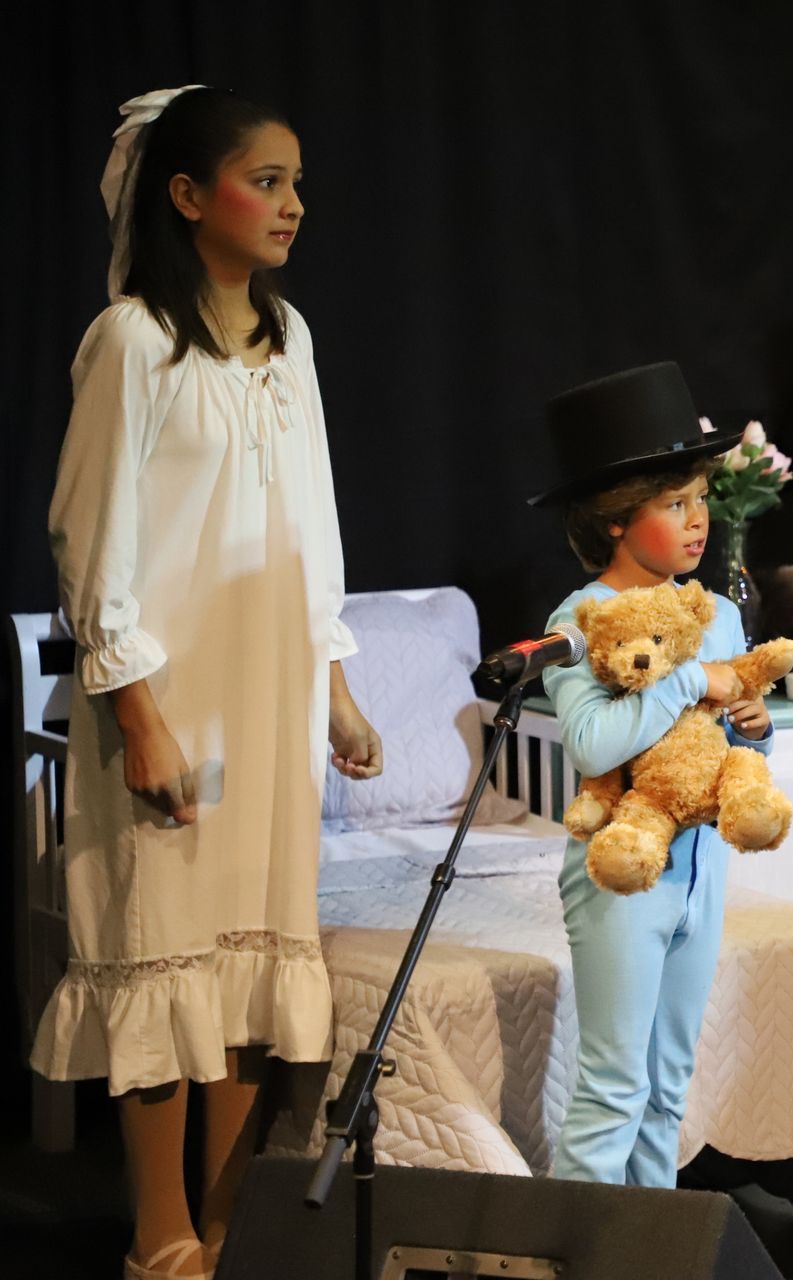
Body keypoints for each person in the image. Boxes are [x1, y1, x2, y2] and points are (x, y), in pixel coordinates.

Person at [32, 86, 382, 1280]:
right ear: (188, 196)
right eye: (264, 180)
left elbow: (313, 527)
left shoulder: (292, 342)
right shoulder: (131, 340)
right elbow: (90, 537)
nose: (292, 204)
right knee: (162, 951)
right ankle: (159, 1229)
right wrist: (135, 709)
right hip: (172, 699)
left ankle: (232, 1225)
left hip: (267, 694)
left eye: (295, 181)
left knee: (243, 973)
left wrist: (331, 679)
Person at [528, 361, 774, 1185]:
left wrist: (755, 726)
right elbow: (594, 746)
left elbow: (729, 748)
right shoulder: (582, 618)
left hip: (699, 869)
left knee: (666, 1091)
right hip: (623, 876)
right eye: (674, 504)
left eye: (701, 499)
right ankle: (572, 1255)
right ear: (615, 520)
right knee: (613, 1091)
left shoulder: (720, 613)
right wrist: (689, 680)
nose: (697, 520)